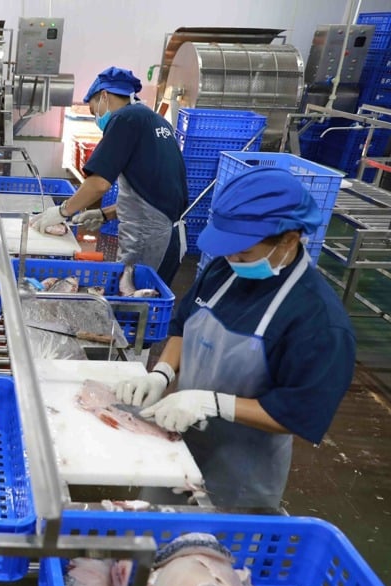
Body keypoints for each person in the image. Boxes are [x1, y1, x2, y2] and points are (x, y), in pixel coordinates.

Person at [114, 166, 356, 509]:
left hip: (240, 478)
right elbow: (184, 327)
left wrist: (214, 404)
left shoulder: (318, 322)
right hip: (176, 446)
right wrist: (163, 373)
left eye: (243, 253)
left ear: (289, 240)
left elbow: (299, 414)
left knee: (213, 559)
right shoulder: (222, 271)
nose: (232, 259)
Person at [31, 66, 187, 285]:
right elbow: (150, 191)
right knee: (143, 302)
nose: (97, 117)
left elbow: (99, 183)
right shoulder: (153, 120)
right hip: (168, 237)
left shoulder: (125, 118)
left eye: (94, 110)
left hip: (150, 241)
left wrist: (62, 210)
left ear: (104, 95)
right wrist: (105, 214)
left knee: (134, 304)